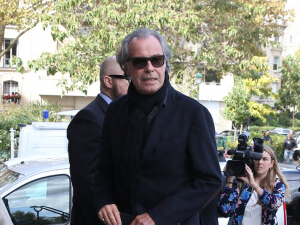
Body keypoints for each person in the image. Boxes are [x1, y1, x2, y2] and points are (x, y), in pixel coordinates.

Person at [96, 28, 222, 225]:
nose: (149, 68)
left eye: (156, 60)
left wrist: (159, 216)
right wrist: (104, 201)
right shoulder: (115, 112)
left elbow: (210, 180)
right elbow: (103, 170)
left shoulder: (193, 113)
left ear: (165, 64)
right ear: (126, 67)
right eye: (139, 62)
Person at [67, 56, 130, 225]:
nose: (132, 83)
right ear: (108, 81)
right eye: (127, 78)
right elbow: (87, 181)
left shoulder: (124, 114)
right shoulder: (89, 118)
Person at [219, 145, 289, 225]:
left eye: (265, 159)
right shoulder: (241, 182)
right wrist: (230, 179)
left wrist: (254, 185)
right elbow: (225, 210)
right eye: (257, 159)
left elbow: (274, 204)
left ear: (271, 164)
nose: (260, 162)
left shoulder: (277, 184)